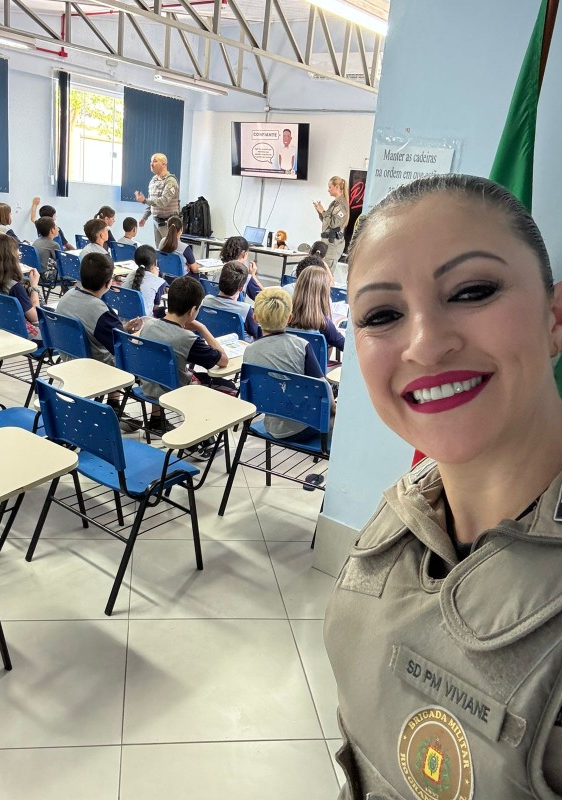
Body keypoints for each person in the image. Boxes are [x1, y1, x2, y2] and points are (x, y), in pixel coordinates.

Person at [323, 174, 562, 799]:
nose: (426, 344)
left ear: (556, 317)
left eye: (472, 290)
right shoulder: (403, 511)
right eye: (381, 315)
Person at [56, 252, 144, 430]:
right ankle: (116, 408)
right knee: (137, 358)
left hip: (68, 358)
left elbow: (100, 329)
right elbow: (123, 348)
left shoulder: (66, 297)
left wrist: (123, 328)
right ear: (108, 283)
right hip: (93, 366)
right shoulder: (99, 310)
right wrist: (138, 333)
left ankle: (114, 407)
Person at [139, 276, 228, 450]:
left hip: (148, 384)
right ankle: (199, 436)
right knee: (229, 387)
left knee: (161, 366)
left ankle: (156, 420)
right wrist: (202, 328)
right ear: (193, 310)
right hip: (176, 391)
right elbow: (223, 360)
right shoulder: (187, 338)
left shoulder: (149, 325)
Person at [243, 287, 336, 441]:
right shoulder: (302, 346)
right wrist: (333, 412)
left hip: (271, 425)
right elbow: (324, 389)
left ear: (255, 317)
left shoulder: (249, 351)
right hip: (307, 425)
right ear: (290, 318)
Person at [0, 233, 42, 340]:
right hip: (26, 337)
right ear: (10, 259)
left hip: (1, 330)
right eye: (18, 255)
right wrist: (34, 287)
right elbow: (35, 318)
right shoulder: (14, 287)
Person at [201, 260, 261, 342]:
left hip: (212, 344)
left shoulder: (206, 301)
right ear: (241, 288)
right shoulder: (245, 310)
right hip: (240, 349)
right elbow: (257, 333)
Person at [289, 266, 344, 354]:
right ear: (324, 293)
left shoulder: (283, 318)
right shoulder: (325, 325)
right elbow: (345, 346)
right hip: (314, 367)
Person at [134, 153, 180, 247]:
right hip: (156, 222)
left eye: (155, 161)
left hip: (169, 224)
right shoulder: (153, 181)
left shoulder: (170, 181)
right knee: (159, 251)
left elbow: (163, 201)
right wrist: (144, 217)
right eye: (151, 161)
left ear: (164, 164)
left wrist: (144, 201)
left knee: (169, 251)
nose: (151, 164)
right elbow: (152, 202)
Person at [313, 176, 349, 271]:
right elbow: (327, 222)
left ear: (337, 187)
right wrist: (320, 211)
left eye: (330, 187)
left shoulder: (341, 205)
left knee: (326, 274)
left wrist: (323, 212)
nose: (328, 190)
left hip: (333, 245)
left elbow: (333, 224)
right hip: (327, 243)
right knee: (321, 272)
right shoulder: (334, 203)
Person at [122, 244, 167, 316]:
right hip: (144, 323)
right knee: (164, 310)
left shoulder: (130, 275)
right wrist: (156, 277)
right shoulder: (159, 282)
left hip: (123, 319)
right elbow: (155, 308)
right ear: (155, 263)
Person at [219, 236, 264, 301]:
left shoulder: (218, 272)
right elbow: (265, 300)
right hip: (236, 309)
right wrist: (253, 276)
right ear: (243, 254)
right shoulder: (244, 276)